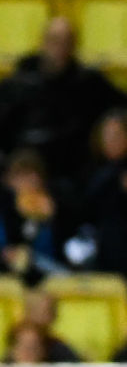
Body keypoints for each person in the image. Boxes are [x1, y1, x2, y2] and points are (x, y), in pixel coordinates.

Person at [0, 19, 127, 188]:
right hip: (22, 178)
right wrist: (9, 169)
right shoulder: (14, 86)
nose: (60, 48)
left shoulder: (89, 84)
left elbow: (120, 110)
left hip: (74, 181)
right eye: (55, 40)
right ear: (42, 42)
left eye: (67, 42)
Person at [0, 149, 73, 283]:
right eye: (21, 176)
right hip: (8, 272)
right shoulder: (1, 209)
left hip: (51, 270)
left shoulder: (59, 203)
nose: (29, 181)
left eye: (33, 175)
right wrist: (4, 253)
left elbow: (70, 246)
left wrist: (54, 218)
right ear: (10, 181)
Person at [78, 108, 127, 275]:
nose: (110, 141)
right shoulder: (95, 171)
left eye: (116, 135)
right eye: (106, 135)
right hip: (104, 253)